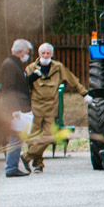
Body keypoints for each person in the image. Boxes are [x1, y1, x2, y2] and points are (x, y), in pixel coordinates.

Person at [24, 42, 86, 172]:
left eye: (48, 53)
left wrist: (84, 94)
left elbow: (73, 80)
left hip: (51, 106)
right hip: (36, 106)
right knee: (34, 136)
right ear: (39, 54)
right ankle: (38, 163)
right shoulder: (30, 68)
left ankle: (27, 156)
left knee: (49, 135)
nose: (45, 55)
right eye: (43, 53)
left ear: (52, 54)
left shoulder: (58, 67)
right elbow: (25, 86)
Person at [0, 38, 33, 178]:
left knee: (17, 137)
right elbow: (9, 88)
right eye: (26, 52)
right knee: (16, 137)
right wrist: (15, 109)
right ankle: (11, 167)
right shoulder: (10, 65)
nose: (27, 54)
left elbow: (20, 84)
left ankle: (12, 166)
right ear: (20, 52)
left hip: (17, 105)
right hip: (14, 107)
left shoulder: (14, 63)